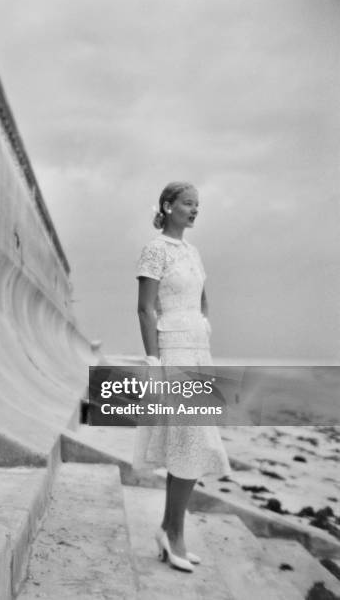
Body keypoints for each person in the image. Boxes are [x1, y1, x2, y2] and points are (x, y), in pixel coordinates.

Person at [132, 181, 231, 572]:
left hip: (197, 350)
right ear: (168, 206)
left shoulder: (192, 251)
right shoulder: (155, 249)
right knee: (190, 439)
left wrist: (202, 326)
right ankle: (173, 535)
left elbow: (203, 297)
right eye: (188, 203)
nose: (194, 210)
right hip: (171, 352)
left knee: (190, 443)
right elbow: (144, 309)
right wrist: (154, 362)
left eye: (198, 205)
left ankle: (170, 530)